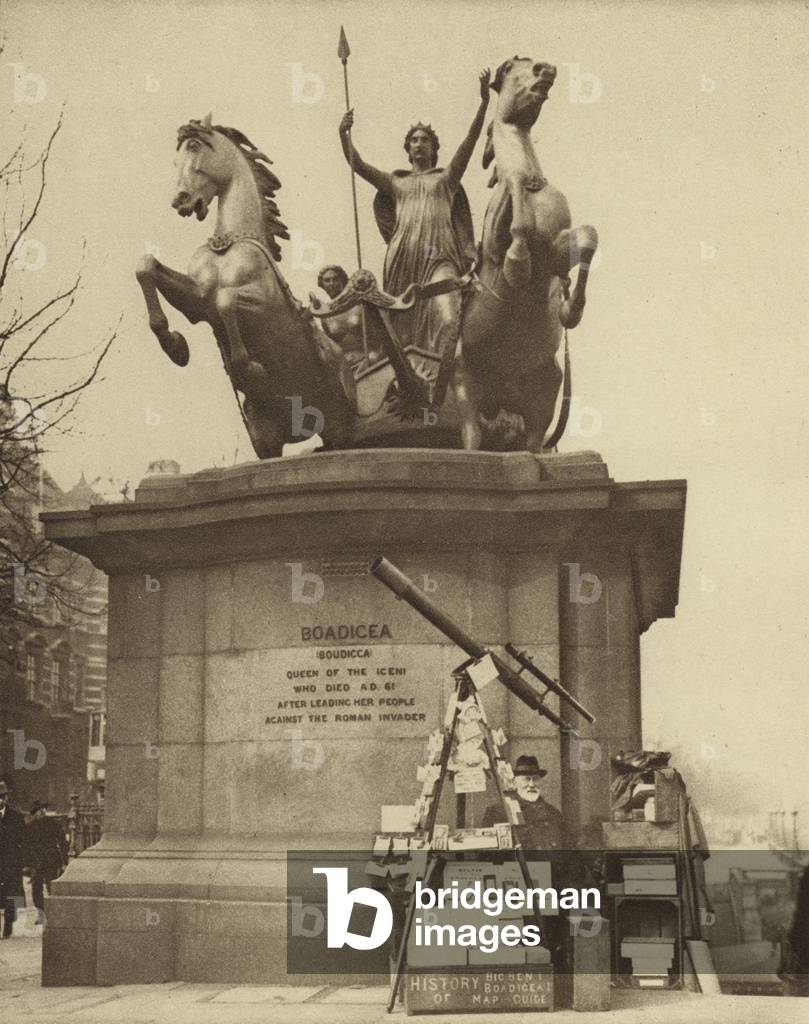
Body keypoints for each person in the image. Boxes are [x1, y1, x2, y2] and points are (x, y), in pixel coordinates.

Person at [338, 70, 489, 370]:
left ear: (434, 148)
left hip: (440, 257)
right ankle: (416, 382)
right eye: (414, 141)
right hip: (403, 261)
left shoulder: (446, 179)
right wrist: (343, 135)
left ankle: (450, 374)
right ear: (407, 150)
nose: (419, 144)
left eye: (425, 140)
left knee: (449, 318)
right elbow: (359, 165)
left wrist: (483, 103)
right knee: (403, 335)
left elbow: (469, 144)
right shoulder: (396, 182)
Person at [482, 754, 563, 851]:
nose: (532, 784)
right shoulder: (498, 812)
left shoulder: (554, 814)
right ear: (515, 783)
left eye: (535, 779)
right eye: (526, 779)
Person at [25, 801, 68, 923]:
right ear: (34, 813)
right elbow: (25, 846)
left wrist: (64, 861)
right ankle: (41, 914)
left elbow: (63, 842)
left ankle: (53, 915)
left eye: (43, 809)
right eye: (39, 810)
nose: (42, 811)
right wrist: (27, 864)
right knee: (36, 889)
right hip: (36, 862)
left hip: (51, 861)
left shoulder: (53, 824)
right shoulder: (29, 827)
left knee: (51, 887)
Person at [316, 265, 366, 365]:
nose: (332, 283)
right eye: (327, 280)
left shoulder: (359, 302)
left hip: (370, 358)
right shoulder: (325, 316)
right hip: (349, 365)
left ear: (342, 280)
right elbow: (334, 346)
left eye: (335, 279)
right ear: (322, 285)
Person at [0, 780, 26, 938]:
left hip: (11, 862)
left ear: (7, 798)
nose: (0, 800)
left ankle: (8, 926)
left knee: (11, 895)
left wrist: (22, 862)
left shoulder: (16, 817)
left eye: (2, 796)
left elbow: (23, 840)